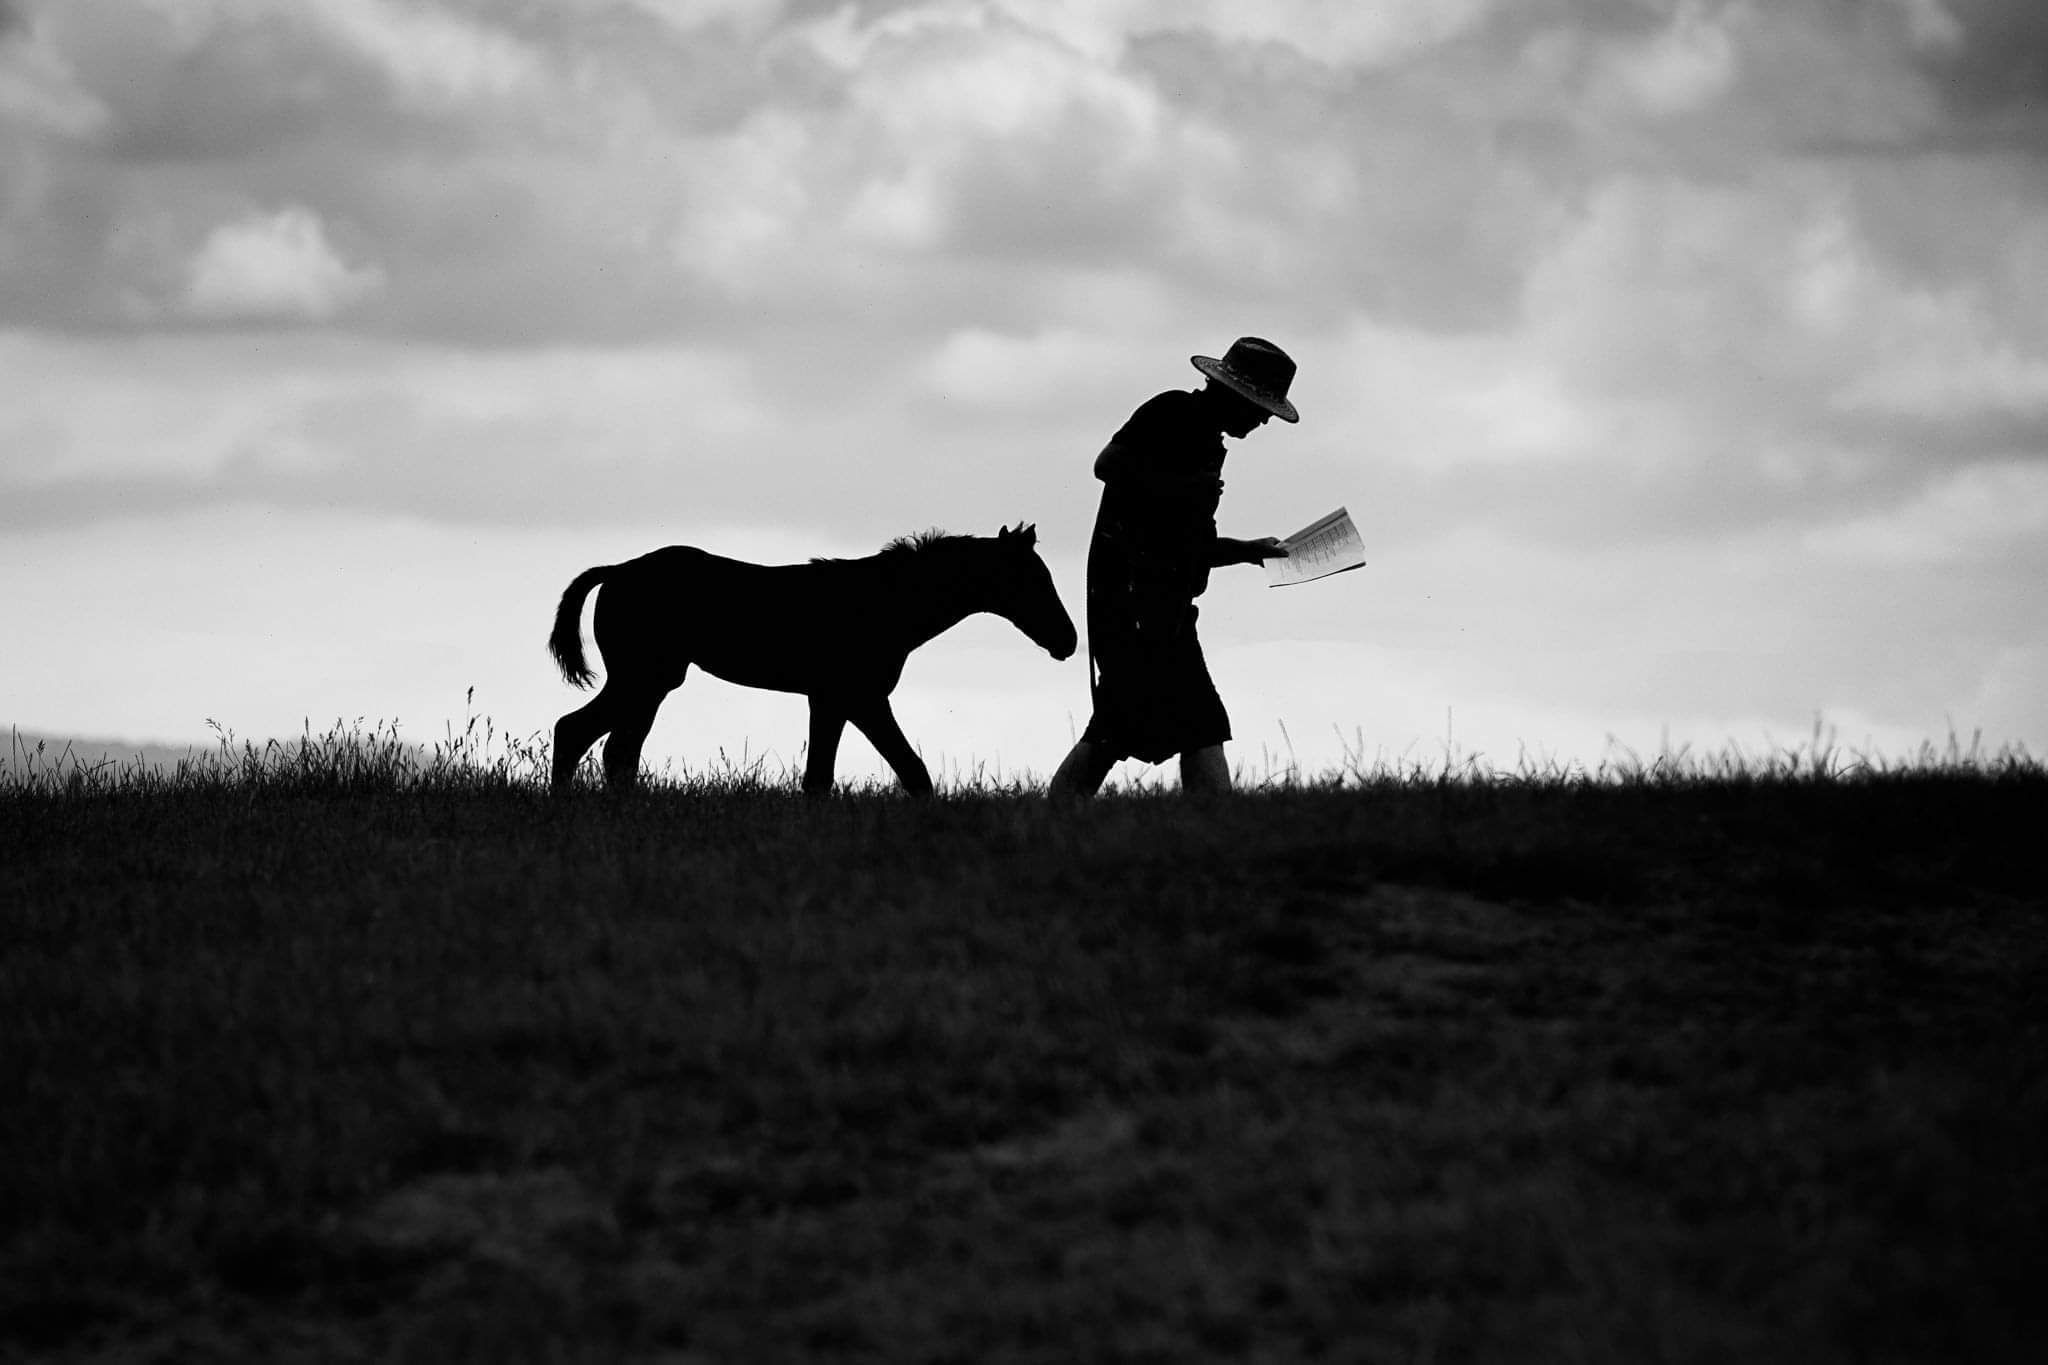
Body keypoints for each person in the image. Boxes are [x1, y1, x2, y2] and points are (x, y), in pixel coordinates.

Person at [1049, 336, 1298, 798]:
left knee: (1134, 725)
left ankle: (1052, 822)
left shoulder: (1207, 444)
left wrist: (1248, 550)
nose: (1263, 419)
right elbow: (1107, 465)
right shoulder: (1172, 412)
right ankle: (1215, 827)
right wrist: (1184, 490)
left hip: (1162, 607)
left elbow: (1188, 544)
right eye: (1261, 407)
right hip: (1134, 605)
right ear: (1237, 396)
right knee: (1189, 723)